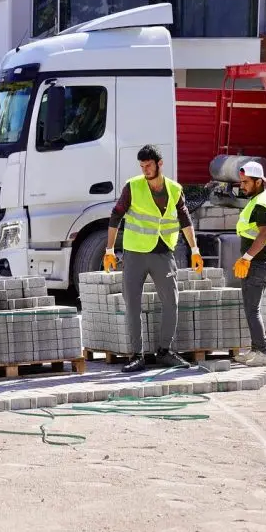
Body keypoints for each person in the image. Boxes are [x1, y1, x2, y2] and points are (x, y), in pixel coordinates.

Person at [104, 144, 204, 373]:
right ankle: (136, 355)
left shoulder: (175, 189)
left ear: (159, 163)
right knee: (133, 304)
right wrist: (109, 250)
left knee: (172, 302)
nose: (145, 170)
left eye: (148, 165)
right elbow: (115, 215)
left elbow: (185, 220)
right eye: (142, 166)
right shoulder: (133, 187)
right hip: (135, 254)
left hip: (163, 254)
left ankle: (165, 351)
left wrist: (195, 249)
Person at [233, 161, 266, 367]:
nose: (242, 186)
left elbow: (264, 234)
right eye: (241, 182)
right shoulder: (258, 199)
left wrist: (246, 258)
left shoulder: (261, 203)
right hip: (256, 263)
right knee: (252, 308)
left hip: (258, 263)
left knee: (253, 310)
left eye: (245, 182)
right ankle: (255, 350)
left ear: (258, 181)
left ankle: (265, 352)